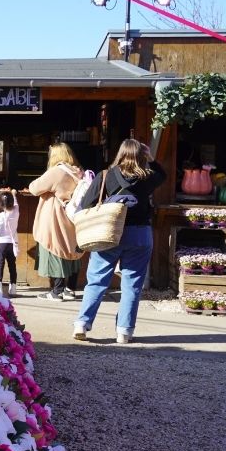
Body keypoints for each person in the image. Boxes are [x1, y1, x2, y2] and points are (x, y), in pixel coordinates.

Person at [72, 139, 167, 344]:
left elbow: (85, 205)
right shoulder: (148, 177)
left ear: (120, 153)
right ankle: (124, 331)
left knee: (97, 280)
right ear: (142, 155)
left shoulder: (106, 175)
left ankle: (82, 324)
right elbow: (163, 175)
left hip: (109, 233)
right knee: (132, 284)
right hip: (140, 235)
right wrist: (151, 158)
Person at [26, 143, 84, 302]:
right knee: (72, 251)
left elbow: (34, 188)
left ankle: (56, 291)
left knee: (56, 249)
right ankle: (70, 289)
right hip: (73, 217)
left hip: (56, 218)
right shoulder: (78, 171)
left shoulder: (57, 171)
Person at [0, 190, 20, 296]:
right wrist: (13, 194)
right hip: (12, 244)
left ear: (0, 203)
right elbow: (16, 204)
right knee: (12, 266)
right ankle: (13, 289)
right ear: (12, 202)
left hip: (1, 244)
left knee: (0, 266)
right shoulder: (16, 212)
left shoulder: (0, 216)